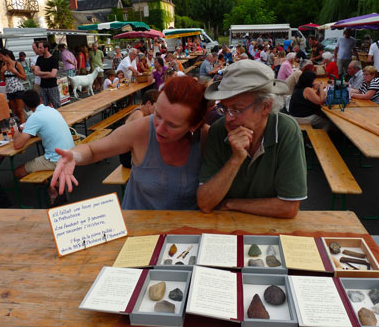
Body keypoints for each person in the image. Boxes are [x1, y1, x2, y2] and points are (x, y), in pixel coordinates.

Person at [51, 77, 209, 210]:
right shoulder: (141, 129)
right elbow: (92, 150)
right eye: (158, 115)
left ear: (194, 126)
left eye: (172, 125)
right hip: (139, 228)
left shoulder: (205, 138)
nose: (159, 128)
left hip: (184, 234)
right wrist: (74, 156)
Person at [197, 60, 307, 218]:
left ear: (265, 107)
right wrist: (236, 159)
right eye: (225, 108)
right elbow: (205, 203)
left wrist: (231, 204)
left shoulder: (286, 130)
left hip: (272, 228)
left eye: (237, 109)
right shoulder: (218, 130)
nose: (228, 118)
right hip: (225, 228)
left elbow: (289, 207)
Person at [14, 90, 74, 202]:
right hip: (71, 153)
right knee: (41, 157)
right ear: (40, 99)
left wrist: (16, 130)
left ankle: (52, 186)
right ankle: (53, 184)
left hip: (57, 159)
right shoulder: (51, 110)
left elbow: (17, 145)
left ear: (26, 106)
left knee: (18, 172)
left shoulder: (34, 117)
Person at [119, 89, 160, 168]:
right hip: (128, 157)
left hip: (133, 152)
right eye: (157, 105)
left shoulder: (145, 113)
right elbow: (141, 140)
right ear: (149, 103)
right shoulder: (139, 115)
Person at [0, 48, 27, 123]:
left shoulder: (17, 64)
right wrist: (1, 72)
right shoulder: (3, 65)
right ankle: (23, 122)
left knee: (20, 110)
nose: (1, 59)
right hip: (9, 90)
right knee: (15, 111)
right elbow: (4, 80)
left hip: (18, 88)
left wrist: (15, 72)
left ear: (7, 55)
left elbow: (24, 77)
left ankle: (23, 127)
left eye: (2, 57)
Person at [34, 41, 60, 108]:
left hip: (52, 86)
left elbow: (53, 75)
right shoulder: (39, 59)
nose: (39, 49)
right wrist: (47, 73)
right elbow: (36, 72)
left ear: (46, 48)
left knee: (56, 105)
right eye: (38, 47)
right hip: (42, 86)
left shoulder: (53, 59)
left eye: (40, 47)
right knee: (44, 106)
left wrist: (42, 74)